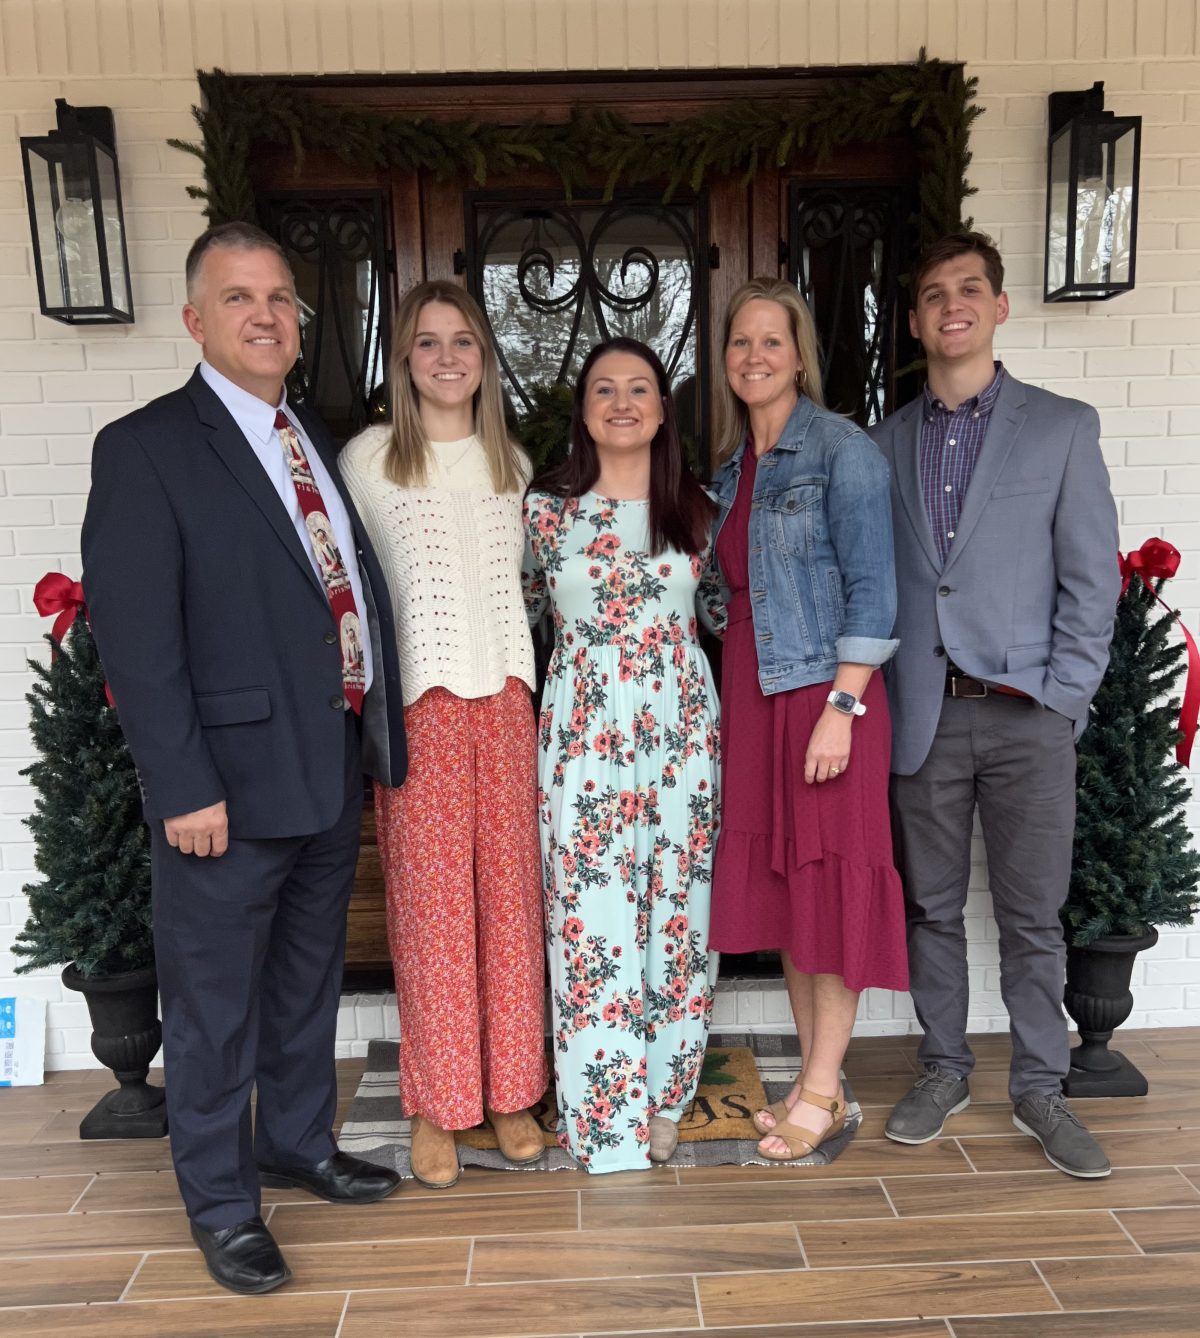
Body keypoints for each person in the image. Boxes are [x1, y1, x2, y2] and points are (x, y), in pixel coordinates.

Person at [80, 223, 406, 1296]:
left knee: (305, 990)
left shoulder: (304, 431)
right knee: (215, 1012)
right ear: (195, 320)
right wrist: (181, 785)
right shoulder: (148, 447)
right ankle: (222, 1206)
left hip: (322, 769)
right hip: (221, 789)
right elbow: (137, 636)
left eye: (279, 298)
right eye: (238, 298)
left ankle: (296, 1144)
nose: (266, 315)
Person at [871, 232, 1120, 1178]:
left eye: (968, 289)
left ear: (999, 306)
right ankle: (942, 1067)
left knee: (1032, 916)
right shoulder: (884, 443)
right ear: (916, 320)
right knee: (932, 909)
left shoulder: (1060, 427)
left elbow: (1091, 580)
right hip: (923, 715)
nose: (951, 306)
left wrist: (1064, 699)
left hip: (1026, 714)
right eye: (933, 294)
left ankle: (1041, 1089)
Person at [339, 282, 547, 1189]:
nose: (449, 357)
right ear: (405, 359)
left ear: (486, 358)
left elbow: (539, 585)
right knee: (431, 913)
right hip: (418, 701)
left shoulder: (516, 465)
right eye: (429, 343)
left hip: (505, 701)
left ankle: (508, 1093)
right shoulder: (367, 460)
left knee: (509, 903)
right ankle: (439, 1101)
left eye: (464, 340)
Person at [708, 278, 908, 1162]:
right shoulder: (728, 469)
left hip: (826, 697)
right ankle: (808, 1077)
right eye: (740, 343)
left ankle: (826, 1087)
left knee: (829, 884)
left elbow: (876, 589)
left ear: (800, 354)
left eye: (772, 341)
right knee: (792, 894)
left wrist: (843, 706)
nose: (755, 356)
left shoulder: (842, 450)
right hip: (753, 696)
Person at [522, 337, 723, 1172]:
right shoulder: (543, 512)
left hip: (680, 730)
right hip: (581, 733)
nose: (623, 402)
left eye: (640, 388)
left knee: (676, 915)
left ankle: (667, 1096)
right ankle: (604, 1105)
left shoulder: (701, 511)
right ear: (584, 411)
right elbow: (523, 617)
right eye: (604, 389)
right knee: (590, 915)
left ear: (663, 408)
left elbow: (722, 617)